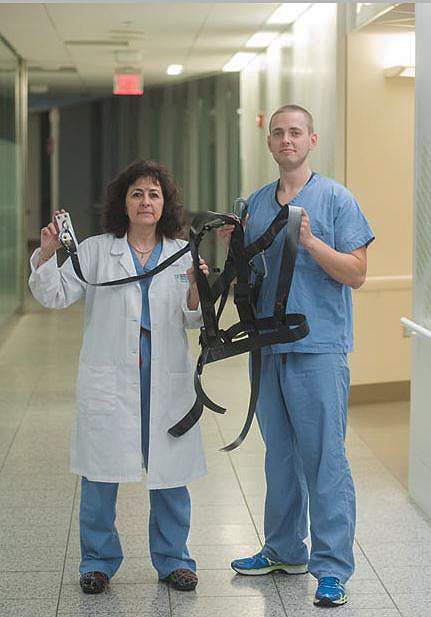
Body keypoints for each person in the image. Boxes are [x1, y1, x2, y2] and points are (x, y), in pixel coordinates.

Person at [29, 160, 209, 594]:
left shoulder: (181, 251)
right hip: (110, 378)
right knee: (99, 474)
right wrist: (47, 254)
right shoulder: (94, 250)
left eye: (154, 194)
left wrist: (195, 287)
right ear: (123, 203)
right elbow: (54, 295)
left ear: (165, 204)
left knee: (170, 474)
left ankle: (173, 560)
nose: (145, 202)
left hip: (164, 379)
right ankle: (97, 561)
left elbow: (193, 319)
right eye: (137, 194)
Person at [220, 105, 374, 607]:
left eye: (296, 133)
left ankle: (332, 569)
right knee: (280, 456)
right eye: (278, 133)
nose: (287, 140)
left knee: (324, 459)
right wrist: (235, 249)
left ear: (312, 140)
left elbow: (355, 271)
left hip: (318, 349)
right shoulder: (256, 203)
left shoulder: (335, 199)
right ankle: (285, 549)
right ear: (269, 143)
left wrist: (310, 242)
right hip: (267, 349)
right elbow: (251, 281)